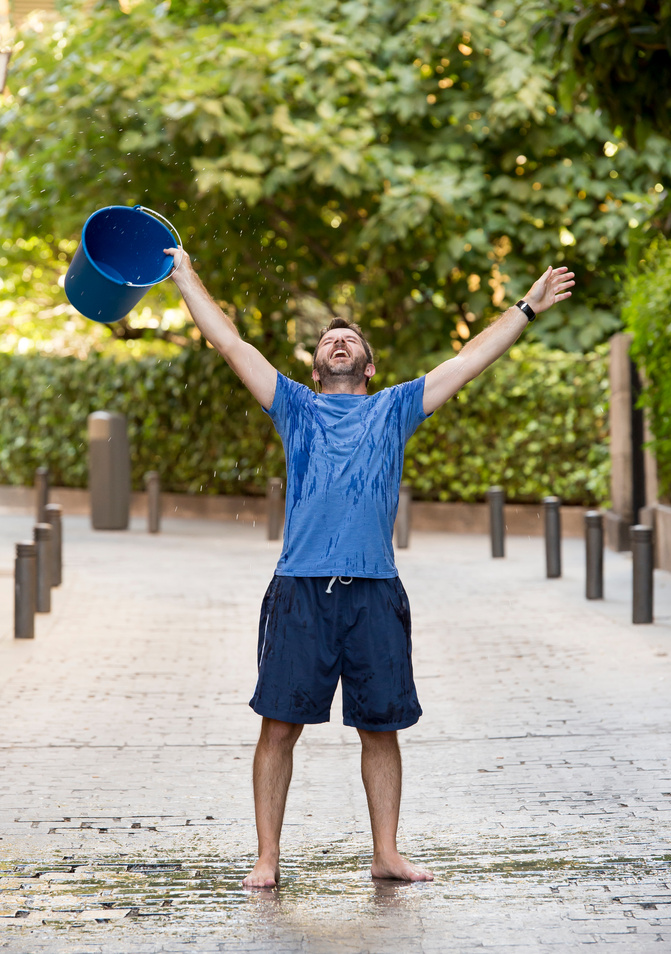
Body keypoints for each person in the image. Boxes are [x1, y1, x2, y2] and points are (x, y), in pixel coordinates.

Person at [165, 245, 574, 888]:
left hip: (375, 592)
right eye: (329, 338)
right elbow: (230, 343)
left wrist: (527, 306)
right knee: (278, 728)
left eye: (348, 339)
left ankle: (386, 851)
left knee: (380, 729)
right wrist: (186, 277)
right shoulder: (293, 407)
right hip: (301, 588)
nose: (337, 342)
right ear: (317, 363)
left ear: (367, 365)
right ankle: (267, 857)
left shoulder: (395, 409)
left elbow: (469, 360)